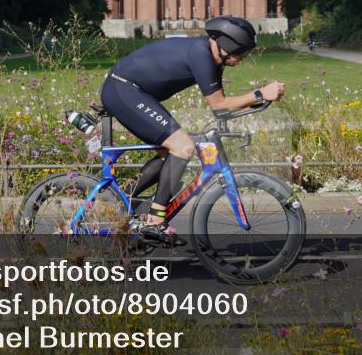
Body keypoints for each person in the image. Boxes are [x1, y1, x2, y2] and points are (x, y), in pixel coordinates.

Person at [100, 15, 285, 241]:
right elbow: (219, 104)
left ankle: (124, 200)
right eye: (242, 52)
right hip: (123, 89)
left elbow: (220, 108)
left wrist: (259, 100)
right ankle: (156, 219)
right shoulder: (202, 55)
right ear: (228, 46)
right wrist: (259, 93)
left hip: (134, 91)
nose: (243, 58)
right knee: (183, 147)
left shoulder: (212, 57)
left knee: (171, 154)